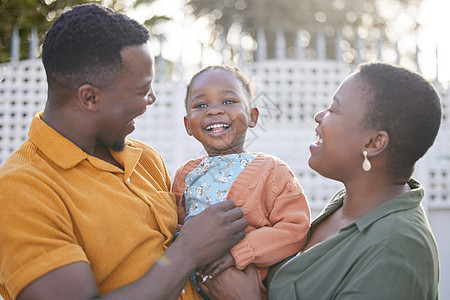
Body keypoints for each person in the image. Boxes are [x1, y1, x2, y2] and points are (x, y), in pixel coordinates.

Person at [0, 4, 248, 300]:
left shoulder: (144, 158)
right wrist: (187, 252)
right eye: (142, 90)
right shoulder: (21, 189)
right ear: (89, 97)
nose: (152, 98)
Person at [197, 62, 442, 300]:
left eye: (334, 110)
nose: (319, 116)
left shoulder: (397, 248)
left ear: (373, 143)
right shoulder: (345, 207)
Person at [171, 65, 311, 298]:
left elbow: (295, 229)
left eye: (228, 101)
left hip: (239, 287)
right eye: (201, 105)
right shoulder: (185, 174)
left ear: (252, 116)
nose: (214, 111)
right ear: (188, 125)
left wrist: (241, 251)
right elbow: (173, 225)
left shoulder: (272, 171)